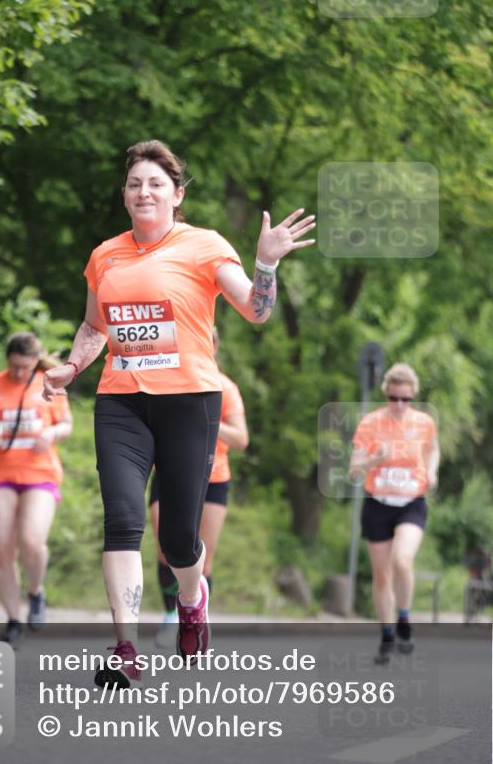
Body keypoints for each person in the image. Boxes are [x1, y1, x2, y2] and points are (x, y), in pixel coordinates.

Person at [43, 139, 315, 687]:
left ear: (176, 195)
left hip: (190, 402)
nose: (145, 191)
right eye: (135, 184)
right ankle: (126, 647)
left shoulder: (204, 246)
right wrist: (72, 367)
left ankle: (192, 597)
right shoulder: (105, 255)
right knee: (122, 519)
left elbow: (256, 310)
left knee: (178, 540)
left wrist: (265, 262)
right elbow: (96, 327)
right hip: (121, 402)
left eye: (156, 184)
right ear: (125, 196)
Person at [0, 332, 73, 646]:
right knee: (3, 548)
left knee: (31, 540)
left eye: (25, 368)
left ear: (35, 363)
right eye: (14, 366)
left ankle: (36, 591)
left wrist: (51, 433)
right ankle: (13, 619)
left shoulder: (49, 384)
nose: (19, 373)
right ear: (7, 360)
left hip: (40, 473)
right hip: (0, 474)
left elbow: (67, 425)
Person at [149, 326, 249, 647]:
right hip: (168, 471)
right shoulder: (166, 379)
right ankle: (170, 616)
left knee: (202, 556)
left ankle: (195, 618)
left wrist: (207, 420)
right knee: (167, 549)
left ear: (215, 348)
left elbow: (242, 438)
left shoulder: (225, 388)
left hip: (213, 476)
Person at [348, 362, 440, 663]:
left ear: (413, 397)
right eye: (394, 398)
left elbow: (433, 448)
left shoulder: (424, 422)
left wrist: (433, 471)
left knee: (402, 561)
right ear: (385, 395)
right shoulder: (370, 424)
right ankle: (387, 635)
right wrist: (374, 458)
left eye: (406, 399)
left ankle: (404, 617)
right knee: (382, 576)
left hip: (411, 503)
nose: (400, 405)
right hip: (378, 504)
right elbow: (353, 471)